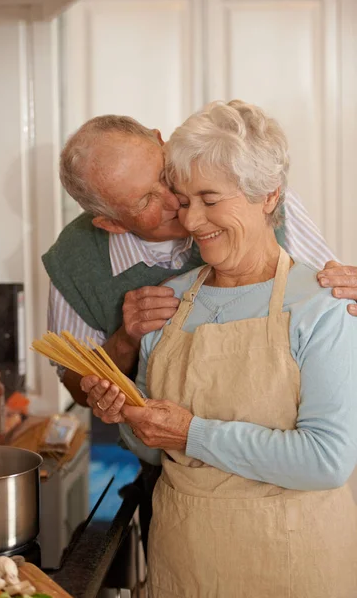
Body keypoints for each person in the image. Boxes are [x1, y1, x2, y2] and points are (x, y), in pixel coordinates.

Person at [44, 113, 357, 557]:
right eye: (147, 200)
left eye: (164, 176)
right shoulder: (82, 265)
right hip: (182, 524)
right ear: (112, 222)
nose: (182, 209)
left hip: (295, 535)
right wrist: (126, 348)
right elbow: (100, 401)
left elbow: (336, 297)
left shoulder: (251, 191)